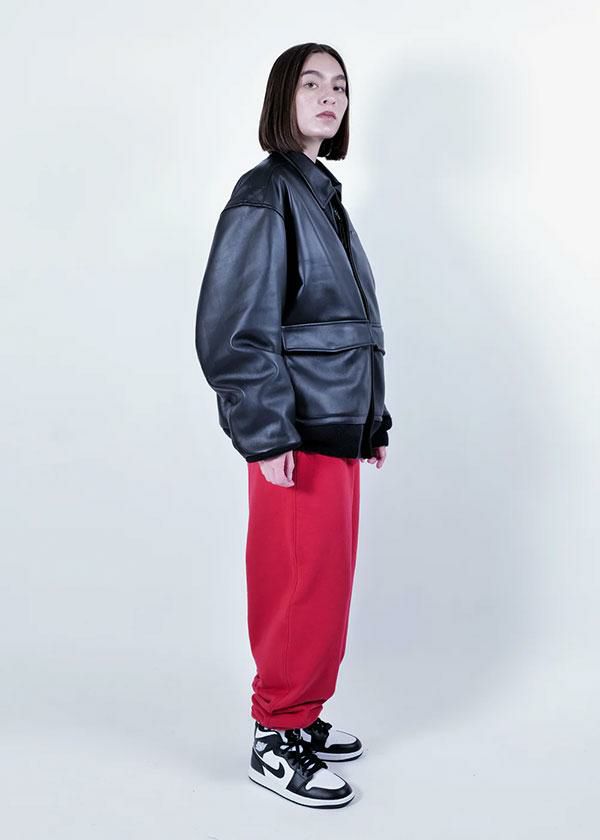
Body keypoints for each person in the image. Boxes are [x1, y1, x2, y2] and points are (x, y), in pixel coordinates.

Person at [194, 43, 392, 809]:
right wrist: (267, 429)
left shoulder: (319, 194)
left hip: (333, 425)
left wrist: (371, 420)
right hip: (295, 430)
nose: (329, 95)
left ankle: (301, 715)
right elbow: (233, 325)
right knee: (296, 584)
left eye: (339, 85)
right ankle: (274, 736)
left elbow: (344, 324)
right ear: (283, 96)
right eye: (312, 82)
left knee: (326, 585)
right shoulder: (266, 192)